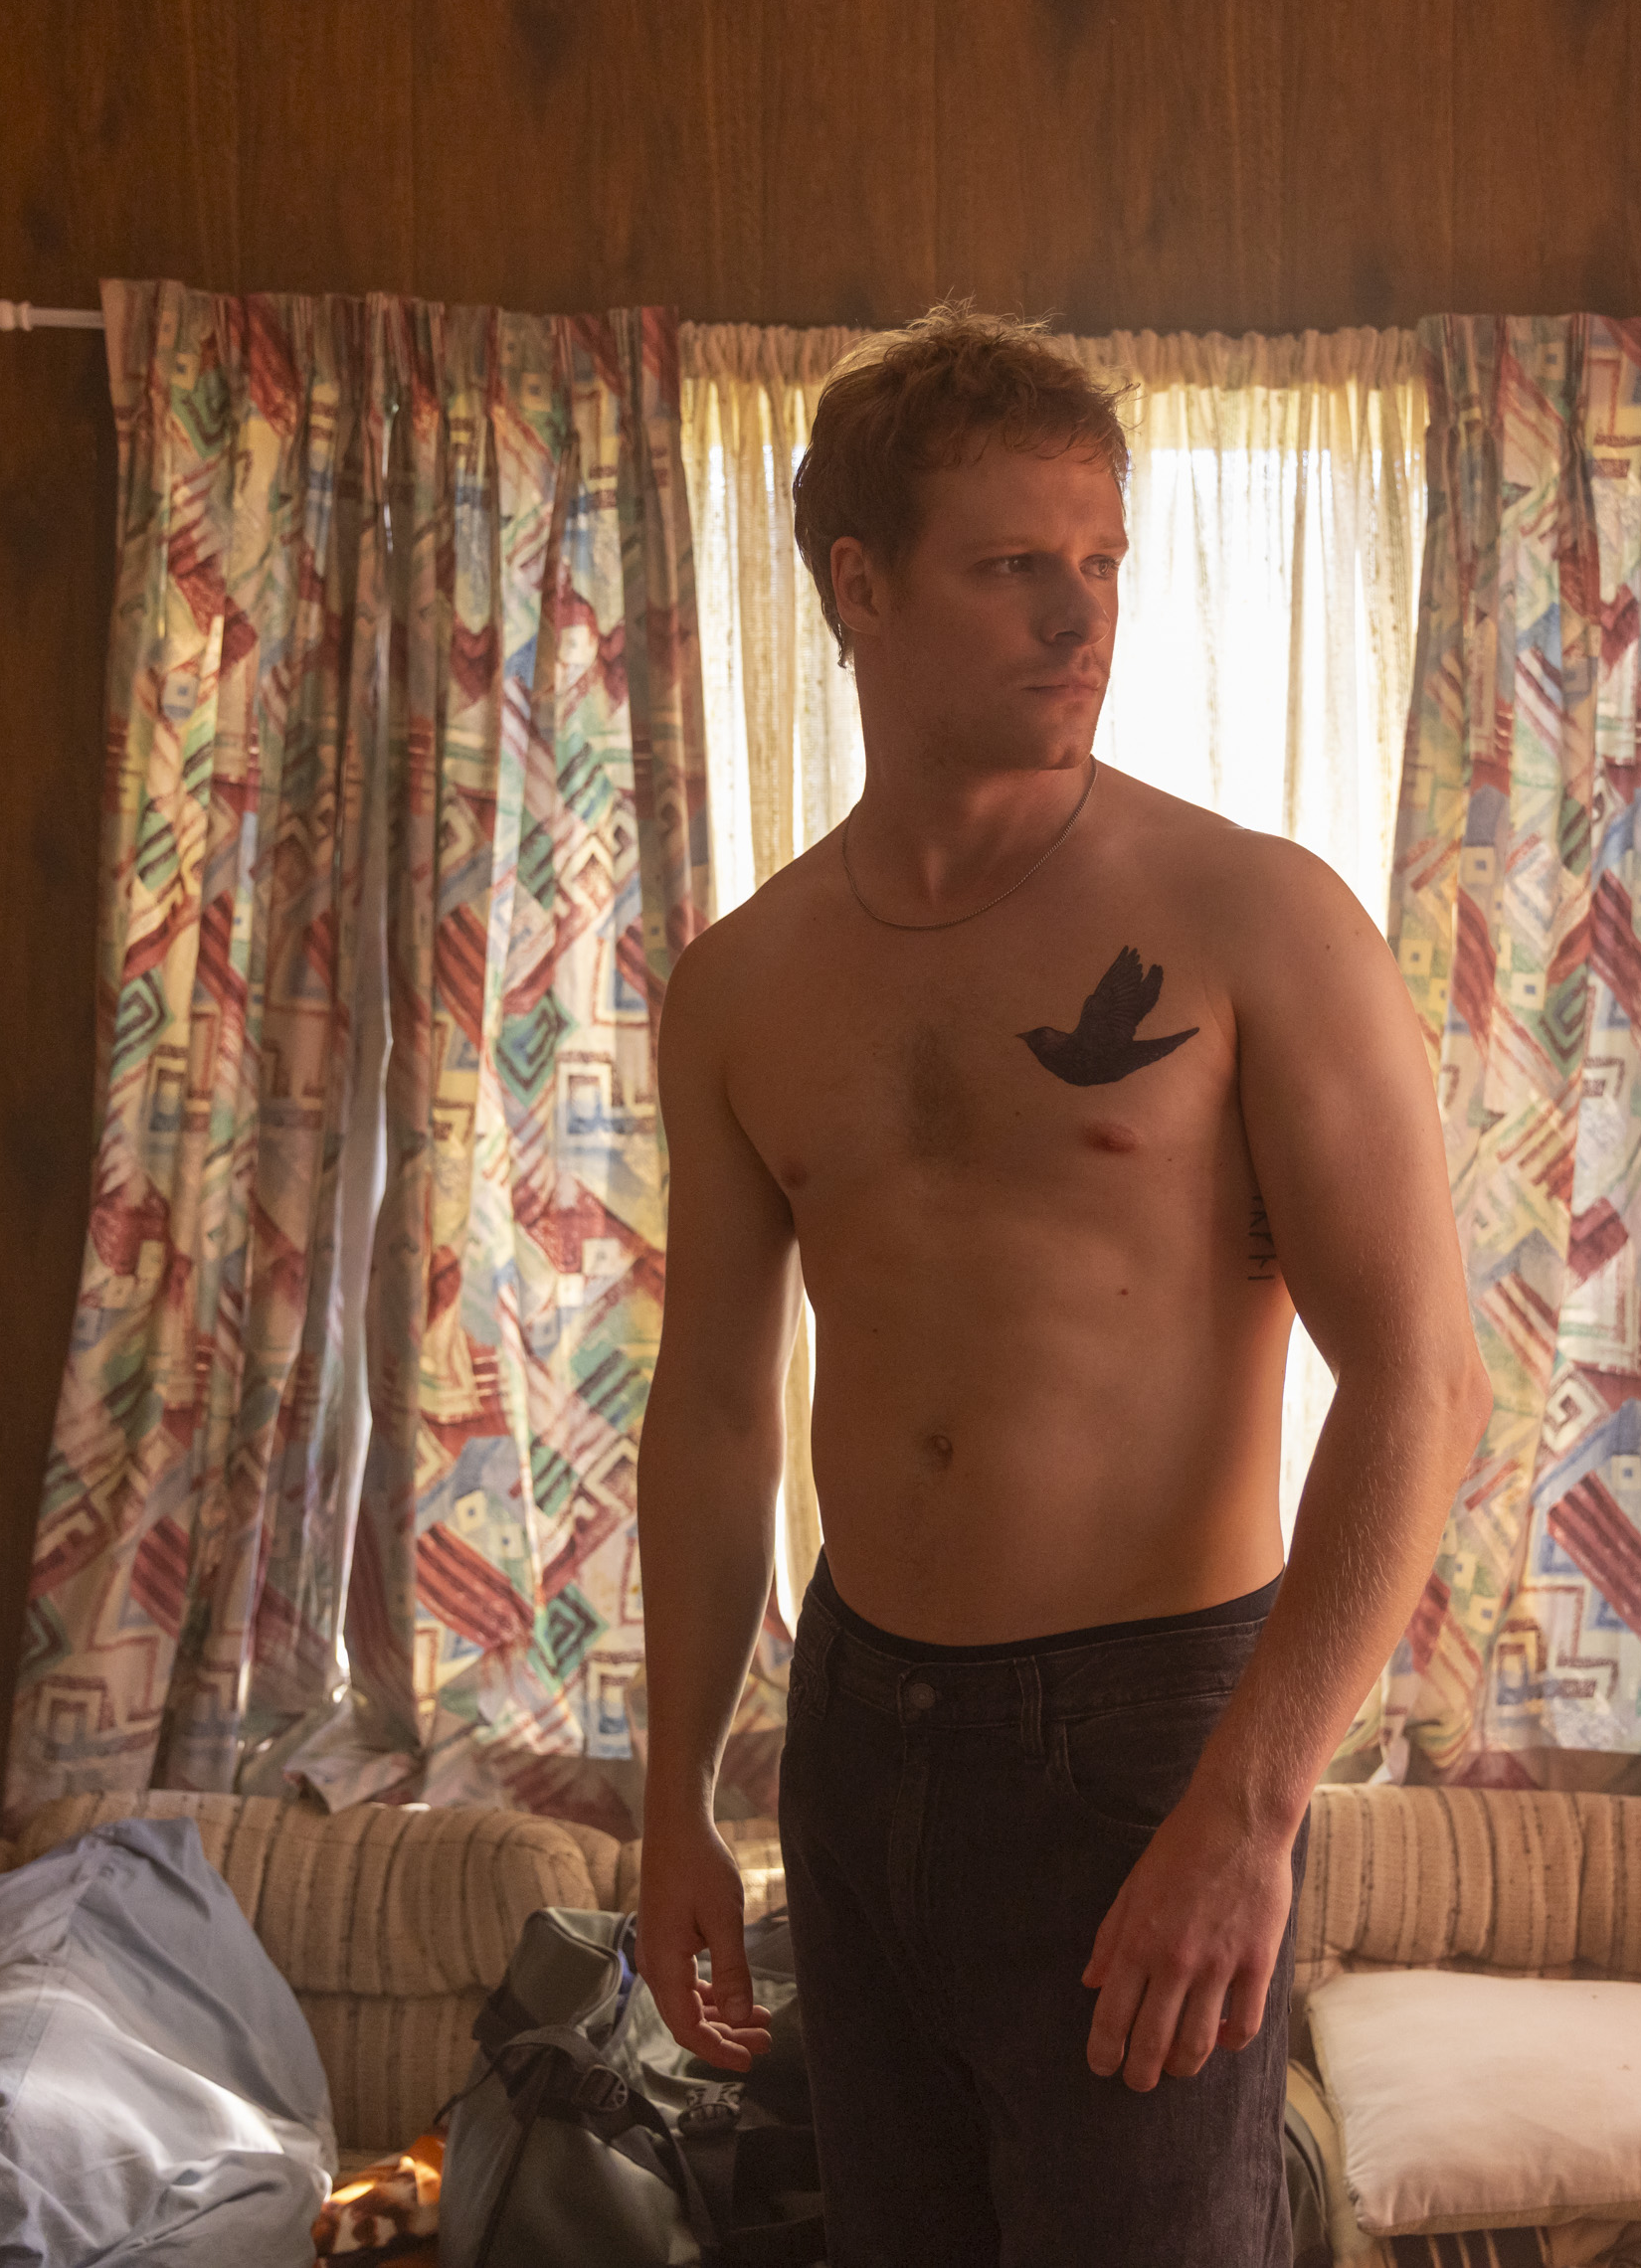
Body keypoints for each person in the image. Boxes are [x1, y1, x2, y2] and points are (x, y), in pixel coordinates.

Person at [634, 304, 1488, 2268]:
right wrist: (676, 1797)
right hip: (860, 1724)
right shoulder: (747, 983)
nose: (1077, 615)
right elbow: (711, 1408)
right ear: (860, 586)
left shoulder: (1253, 919)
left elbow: (1422, 1383)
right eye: (1014, 564)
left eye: (1100, 561)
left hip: (1146, 1732)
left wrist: (1250, 1808)